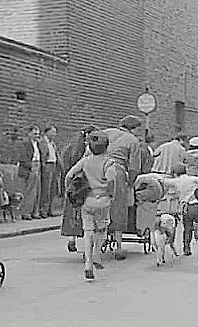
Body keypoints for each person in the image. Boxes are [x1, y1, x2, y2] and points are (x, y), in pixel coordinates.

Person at [65, 131, 116, 281]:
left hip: (87, 200)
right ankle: (96, 254)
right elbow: (111, 180)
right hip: (103, 200)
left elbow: (69, 175)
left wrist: (69, 191)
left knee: (88, 232)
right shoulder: (109, 163)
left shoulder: (85, 161)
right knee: (102, 229)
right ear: (106, 147)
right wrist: (111, 194)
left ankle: (87, 263)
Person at [104, 115, 143, 260]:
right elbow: (134, 166)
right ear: (133, 128)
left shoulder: (106, 132)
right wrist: (131, 183)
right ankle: (119, 246)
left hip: (97, 167)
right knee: (118, 206)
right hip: (117, 171)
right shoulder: (132, 140)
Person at [61, 125, 97, 252]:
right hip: (86, 182)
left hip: (74, 183)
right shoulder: (91, 149)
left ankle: (72, 238)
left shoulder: (72, 147)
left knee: (73, 211)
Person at [163, 164, 198, 256]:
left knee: (187, 228)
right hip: (197, 206)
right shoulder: (193, 179)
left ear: (175, 174)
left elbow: (163, 181)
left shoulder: (176, 181)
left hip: (185, 208)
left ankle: (186, 248)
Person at [18, 126, 43, 220]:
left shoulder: (38, 144)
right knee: (29, 191)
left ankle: (35, 211)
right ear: (29, 134)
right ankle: (26, 212)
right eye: (35, 134)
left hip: (38, 166)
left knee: (37, 191)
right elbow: (23, 157)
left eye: (38, 134)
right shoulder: (25, 143)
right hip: (30, 167)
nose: (37, 136)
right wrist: (31, 166)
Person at [39, 125, 63, 218]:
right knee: (46, 189)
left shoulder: (52, 143)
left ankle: (50, 209)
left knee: (53, 188)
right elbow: (42, 155)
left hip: (54, 165)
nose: (54, 134)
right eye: (53, 132)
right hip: (47, 165)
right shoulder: (43, 142)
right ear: (47, 132)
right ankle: (43, 210)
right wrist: (44, 166)